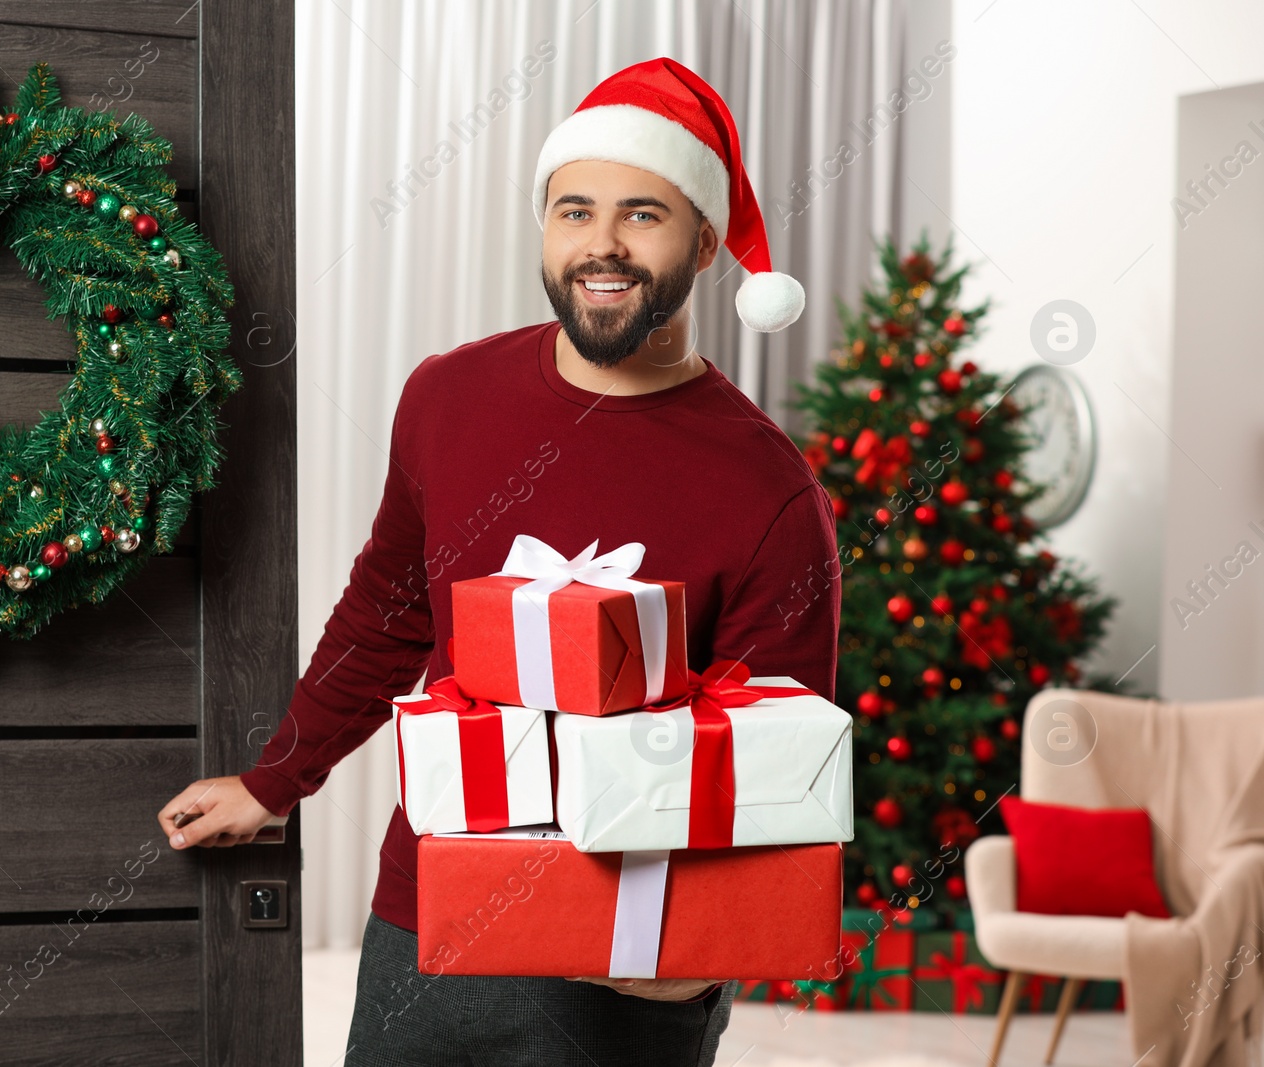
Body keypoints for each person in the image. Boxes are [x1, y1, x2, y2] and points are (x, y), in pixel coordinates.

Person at [158, 56, 841, 1066]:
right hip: (429, 912)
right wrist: (275, 780)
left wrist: (699, 949)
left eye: (641, 214)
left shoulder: (768, 490)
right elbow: (386, 615)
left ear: (703, 240)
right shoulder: (447, 397)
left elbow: (774, 760)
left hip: (627, 961)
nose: (600, 244)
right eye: (574, 210)